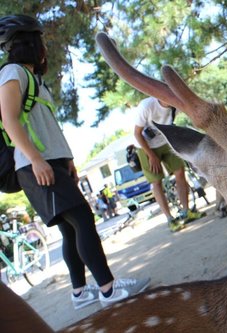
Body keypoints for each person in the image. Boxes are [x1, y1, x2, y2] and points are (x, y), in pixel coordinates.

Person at [0, 14, 149, 310]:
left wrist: (67, 159)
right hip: (34, 164)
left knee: (70, 228)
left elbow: (49, 125)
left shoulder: (35, 80)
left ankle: (80, 293)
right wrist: (35, 159)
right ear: (30, 44)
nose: (45, 49)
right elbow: (9, 119)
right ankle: (109, 289)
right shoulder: (11, 73)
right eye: (40, 42)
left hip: (52, 162)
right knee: (82, 218)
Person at [134, 96, 204, 232]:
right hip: (145, 146)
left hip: (166, 141)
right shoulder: (146, 106)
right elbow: (137, 134)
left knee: (180, 172)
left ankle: (186, 211)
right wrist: (151, 155)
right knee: (156, 181)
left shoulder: (175, 104)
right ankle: (170, 219)